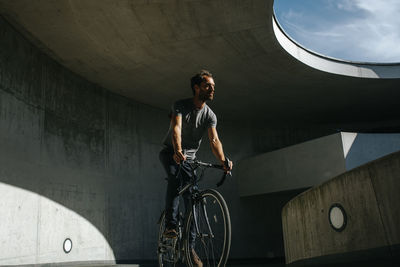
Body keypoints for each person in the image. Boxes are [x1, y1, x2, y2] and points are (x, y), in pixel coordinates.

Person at [159, 70, 233, 267]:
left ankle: (189, 248)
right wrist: (177, 150)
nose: (212, 89)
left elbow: (214, 140)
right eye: (208, 85)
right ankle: (171, 226)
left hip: (189, 160)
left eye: (213, 86)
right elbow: (176, 128)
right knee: (175, 179)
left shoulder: (210, 115)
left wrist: (224, 160)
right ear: (197, 87)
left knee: (194, 201)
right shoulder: (181, 105)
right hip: (171, 153)